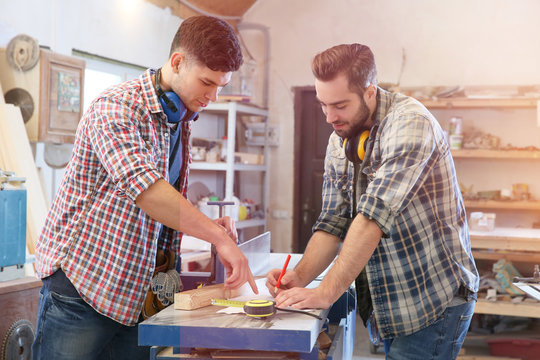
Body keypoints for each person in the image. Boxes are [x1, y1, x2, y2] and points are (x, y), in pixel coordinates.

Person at [32, 15, 257, 360]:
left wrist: (209, 226)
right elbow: (148, 191)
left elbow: (161, 209)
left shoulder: (177, 118)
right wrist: (217, 236)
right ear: (178, 62)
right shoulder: (117, 108)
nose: (213, 95)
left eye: (221, 86)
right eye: (207, 82)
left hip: (138, 294)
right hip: (84, 289)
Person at [266, 44, 479, 359]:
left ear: (369, 92)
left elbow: (371, 217)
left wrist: (326, 292)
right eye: (323, 105)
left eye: (339, 105)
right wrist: (301, 275)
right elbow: (333, 221)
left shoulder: (410, 123)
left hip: (432, 300)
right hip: (390, 300)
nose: (329, 117)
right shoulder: (341, 138)